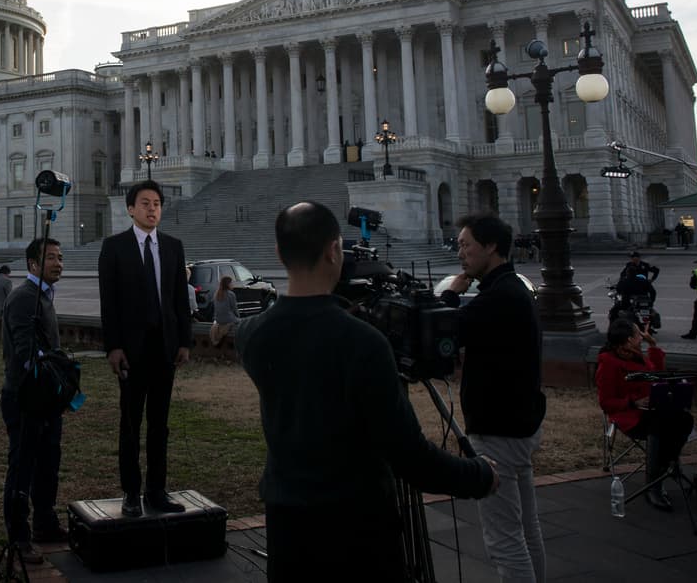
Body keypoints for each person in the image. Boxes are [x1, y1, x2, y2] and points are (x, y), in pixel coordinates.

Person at [237, 202, 496, 580]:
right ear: (333, 251)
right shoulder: (362, 342)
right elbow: (409, 456)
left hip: (287, 523)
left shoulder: (253, 336)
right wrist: (479, 475)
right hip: (356, 527)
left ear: (279, 253)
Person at [440, 213, 546, 583]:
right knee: (525, 528)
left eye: (466, 245)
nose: (461, 254)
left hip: (498, 429)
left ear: (491, 247)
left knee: (503, 538)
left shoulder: (499, 297)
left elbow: (447, 331)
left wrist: (451, 293)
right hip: (519, 423)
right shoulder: (513, 288)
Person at [99, 179, 192, 517]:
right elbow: (108, 303)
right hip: (131, 351)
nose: (152, 209)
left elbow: (180, 299)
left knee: (159, 424)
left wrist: (184, 341)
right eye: (145, 203)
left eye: (157, 203)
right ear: (130, 209)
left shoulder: (172, 246)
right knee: (130, 423)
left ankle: (156, 490)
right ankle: (131, 492)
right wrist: (114, 347)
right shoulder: (114, 247)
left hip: (164, 349)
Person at [0, 237, 67, 564]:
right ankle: (19, 536)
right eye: (51, 258)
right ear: (32, 265)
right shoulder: (24, 298)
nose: (58, 263)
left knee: (48, 464)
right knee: (23, 466)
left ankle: (44, 523)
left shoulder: (42, 296)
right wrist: (53, 367)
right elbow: (25, 355)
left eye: (60, 257)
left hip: (47, 399)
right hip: (25, 398)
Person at [596, 318, 694, 511]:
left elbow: (658, 375)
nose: (641, 337)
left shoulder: (636, 355)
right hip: (630, 415)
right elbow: (606, 402)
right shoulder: (609, 363)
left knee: (684, 419)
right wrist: (633, 402)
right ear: (627, 340)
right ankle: (655, 484)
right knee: (661, 426)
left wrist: (653, 345)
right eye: (637, 334)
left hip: (653, 410)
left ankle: (666, 466)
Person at [209, 275, 239, 346]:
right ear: (228, 284)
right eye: (232, 283)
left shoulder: (216, 294)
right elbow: (235, 309)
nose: (233, 284)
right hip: (228, 320)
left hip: (218, 320)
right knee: (243, 321)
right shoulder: (231, 294)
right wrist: (238, 317)